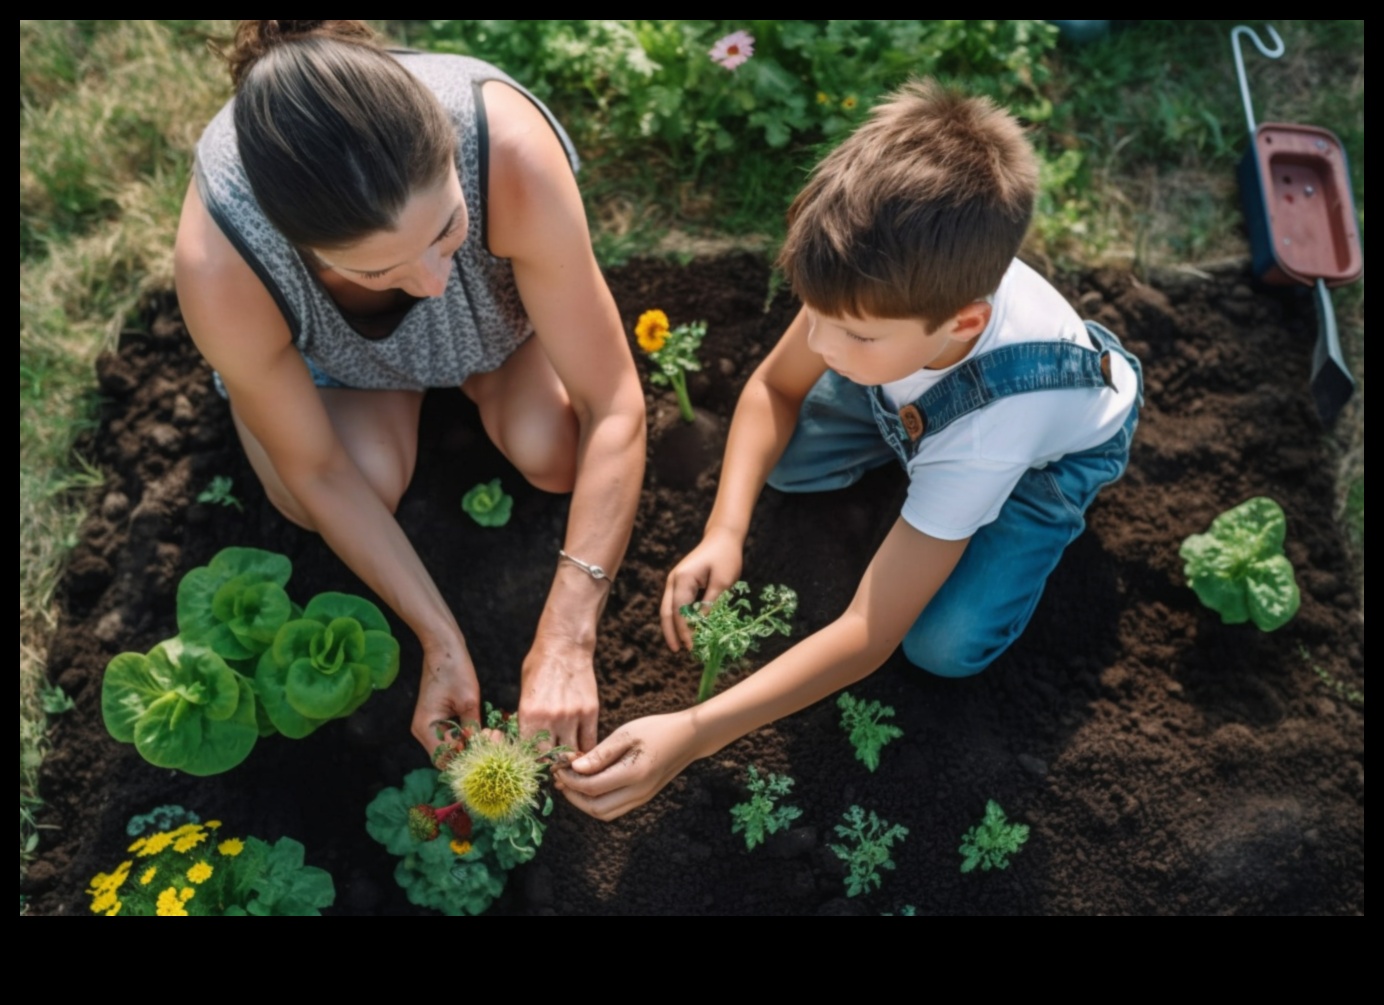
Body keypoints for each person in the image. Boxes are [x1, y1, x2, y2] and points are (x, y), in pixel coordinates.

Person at [557, 80, 1142, 819]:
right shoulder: (867, 284)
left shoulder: (989, 436)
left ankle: (1003, 518)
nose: (823, 347)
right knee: (790, 460)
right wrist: (725, 530)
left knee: (943, 646)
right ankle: (915, 476)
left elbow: (868, 634)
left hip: (1042, 456)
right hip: (912, 391)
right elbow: (773, 387)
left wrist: (696, 732)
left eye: (853, 335)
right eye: (818, 318)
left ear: (963, 324)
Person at [174, 21, 645, 757]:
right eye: (376, 272)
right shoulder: (222, 261)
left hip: (497, 335)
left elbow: (614, 402)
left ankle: (462, 383)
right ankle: (341, 395)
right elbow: (320, 470)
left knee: (559, 453)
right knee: (330, 491)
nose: (430, 282)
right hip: (347, 368)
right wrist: (440, 636)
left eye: (449, 229)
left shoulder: (508, 152)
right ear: (293, 243)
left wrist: (567, 632)